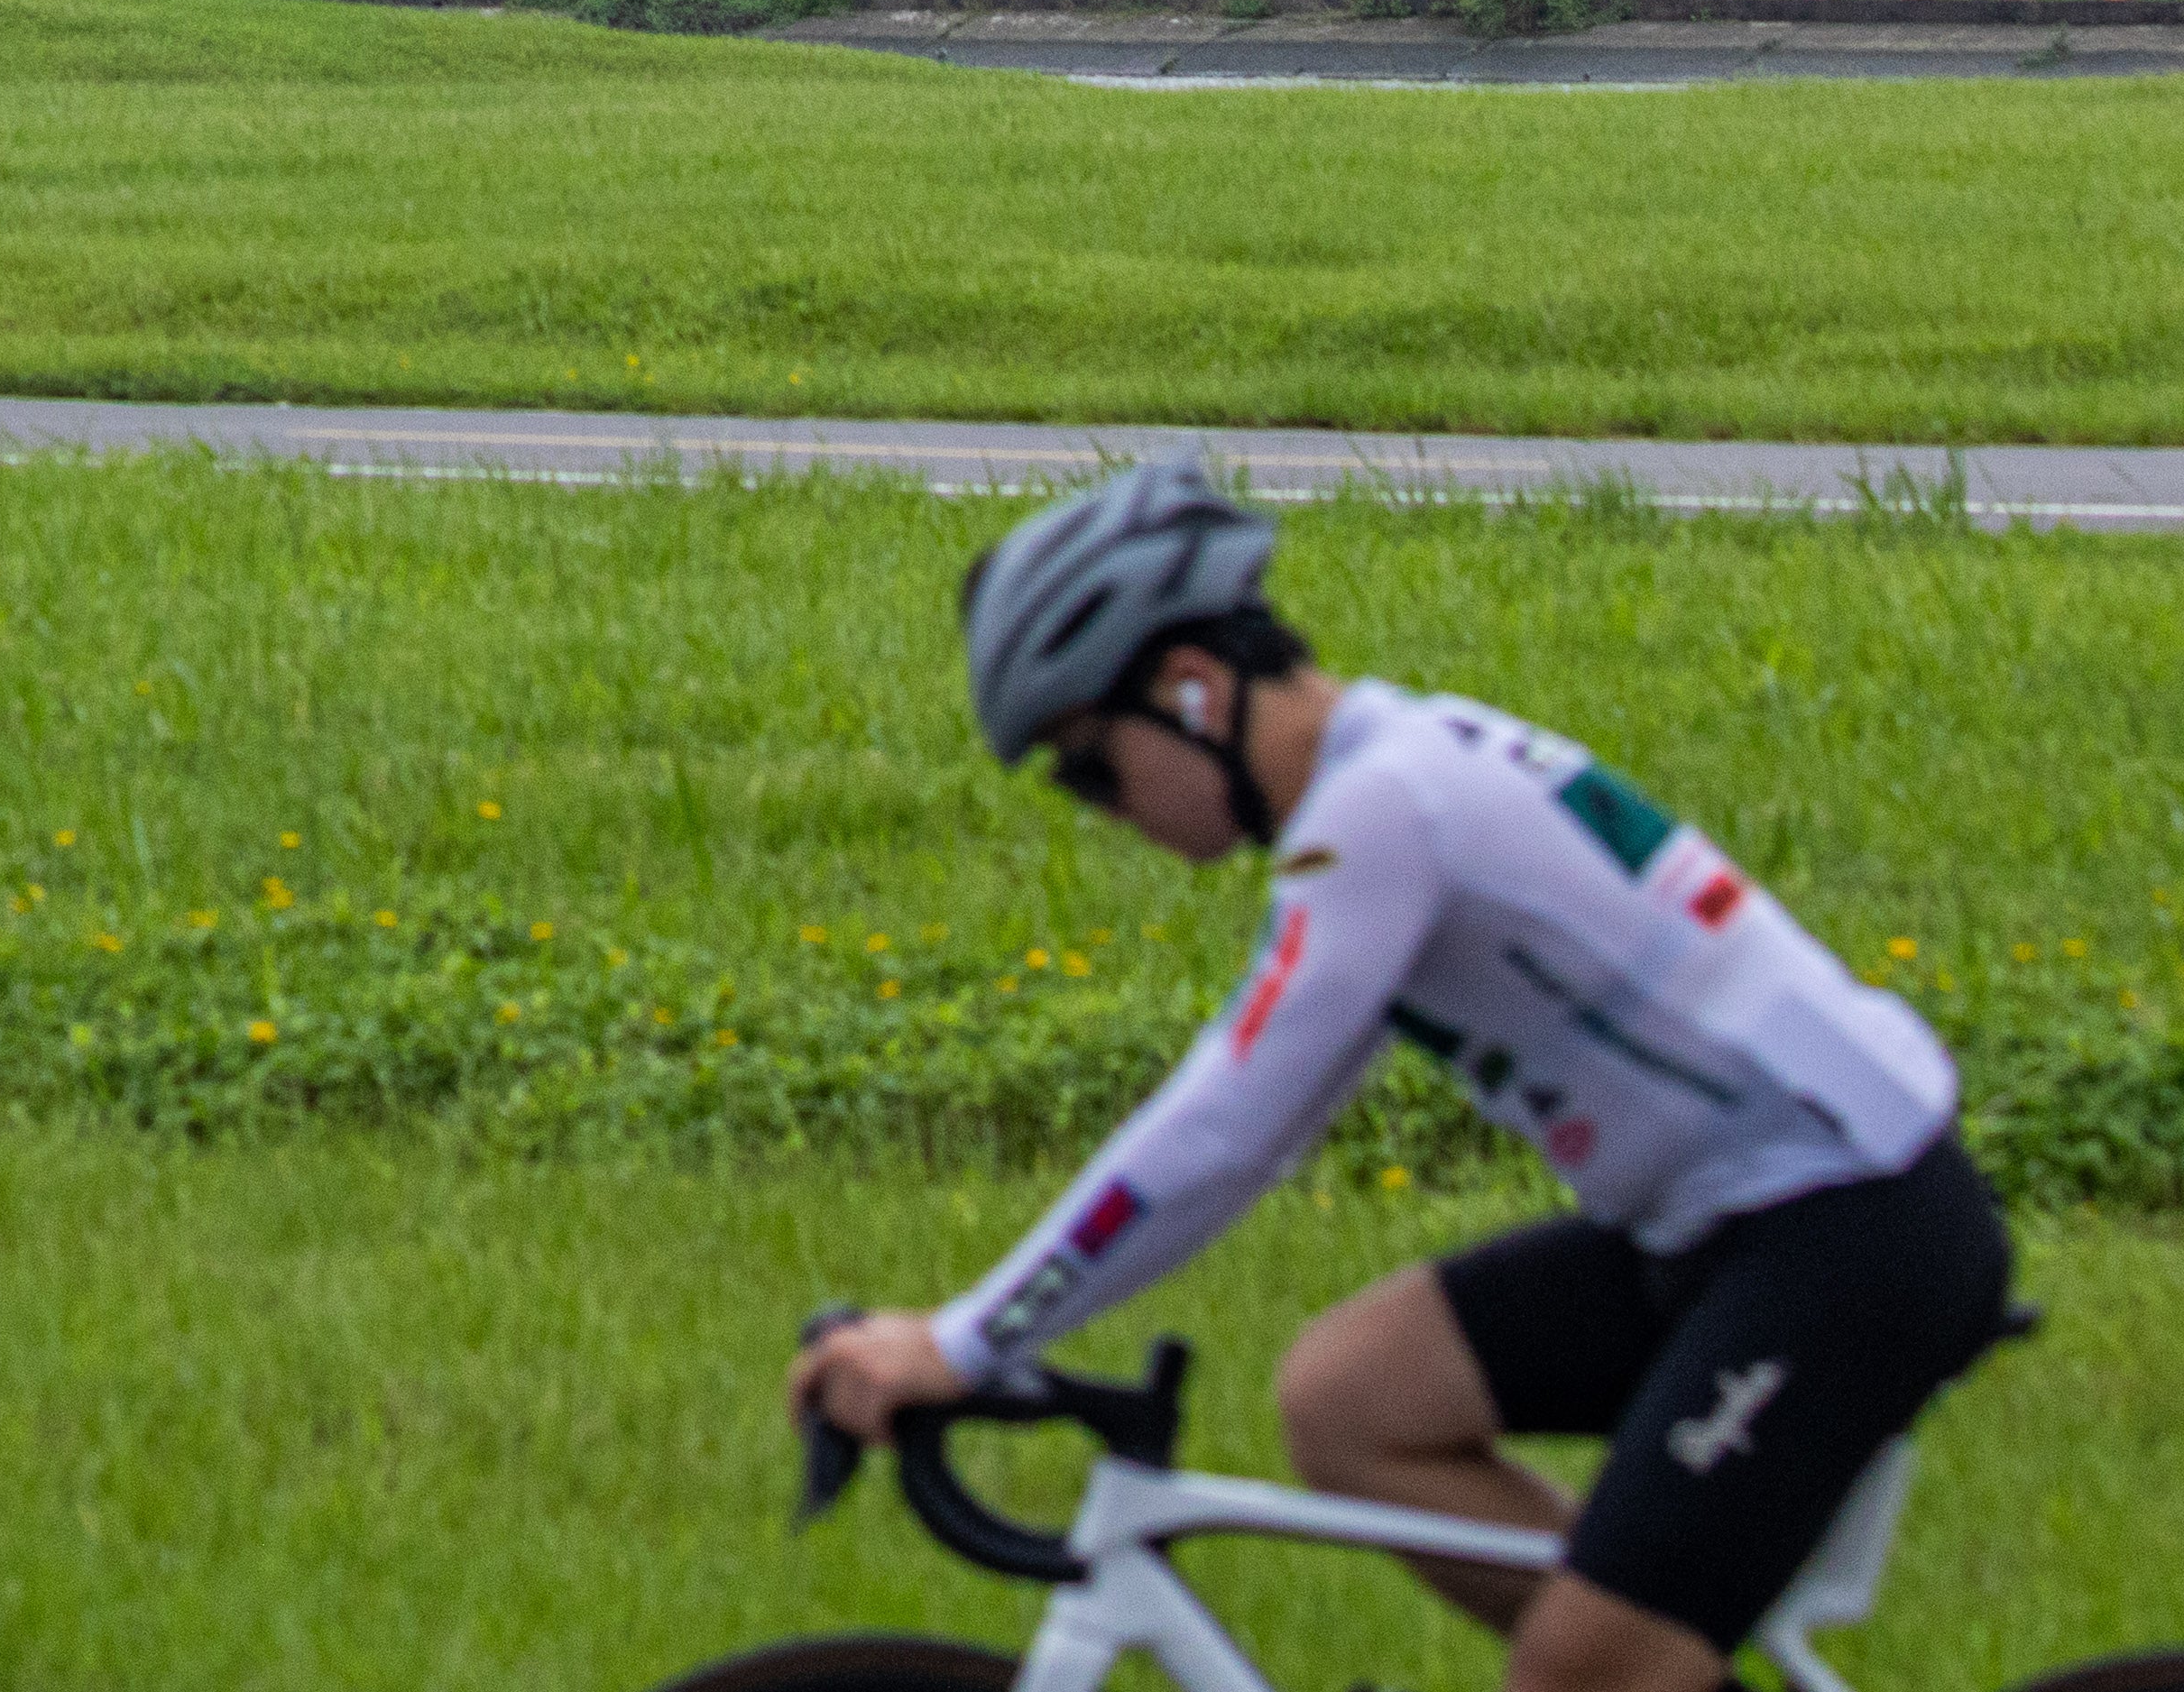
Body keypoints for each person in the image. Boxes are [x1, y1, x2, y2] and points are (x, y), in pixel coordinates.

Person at [782, 452, 2006, 1692]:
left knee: (1573, 1675)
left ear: (1192, 691)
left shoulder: (1379, 813)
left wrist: (967, 1339)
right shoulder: (1390, 775)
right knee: (1350, 1395)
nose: (1099, 806)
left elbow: (1227, 1122)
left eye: (1089, 764)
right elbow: (1257, 1108)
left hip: (1847, 1234)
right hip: (1730, 1218)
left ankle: (1623, 1660)